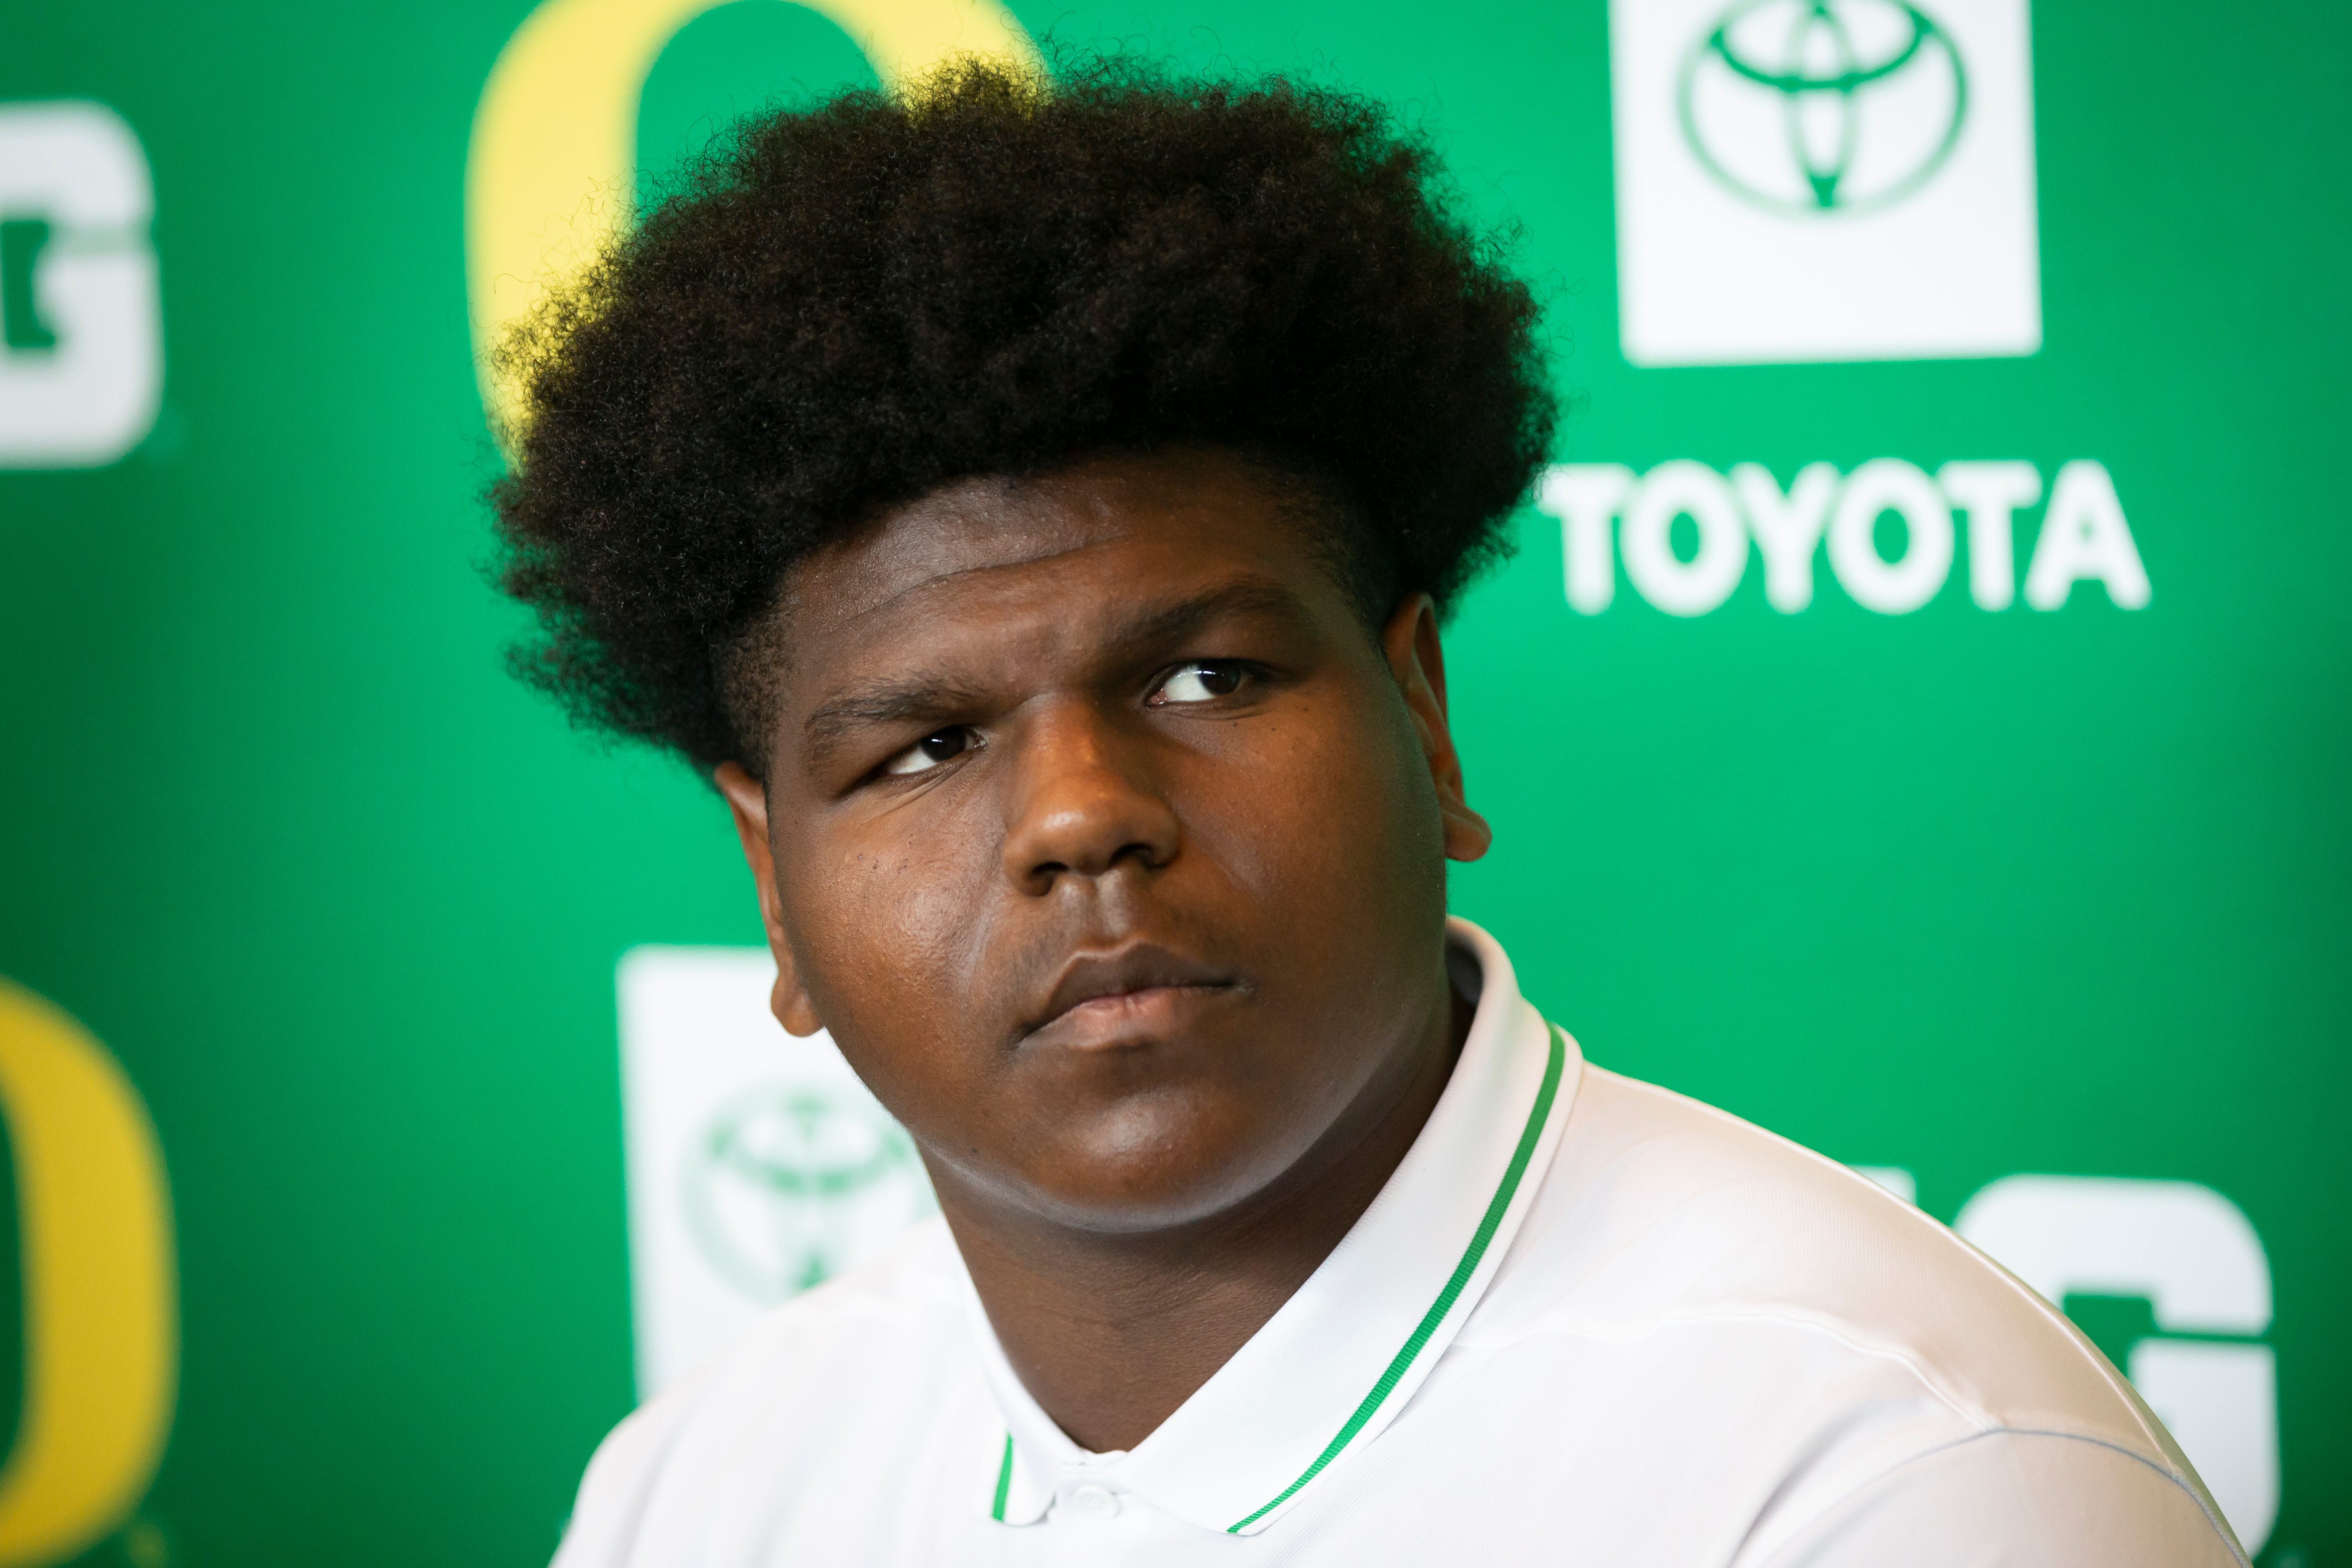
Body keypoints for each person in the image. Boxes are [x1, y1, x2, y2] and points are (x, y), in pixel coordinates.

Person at [493, 60, 2243, 1567]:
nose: (1083, 817)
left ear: (1422, 714)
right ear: (773, 889)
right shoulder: (703, 1489)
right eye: (928, 746)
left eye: (1206, 677)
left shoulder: (1899, 1476)